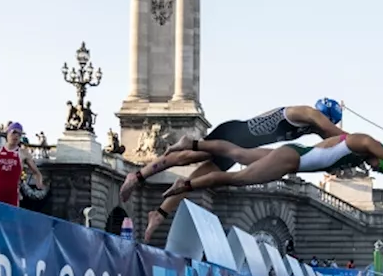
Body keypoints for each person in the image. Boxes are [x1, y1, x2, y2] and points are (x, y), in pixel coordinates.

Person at [121, 99, 347, 241]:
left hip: (238, 147)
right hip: (233, 134)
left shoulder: (308, 128)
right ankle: (138, 176)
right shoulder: (307, 113)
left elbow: (327, 142)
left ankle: (158, 214)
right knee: (186, 156)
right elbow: (332, 133)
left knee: (195, 181)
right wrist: (359, 145)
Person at [158, 133, 383, 203]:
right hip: (292, 161)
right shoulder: (364, 142)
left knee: (239, 152)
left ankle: (191, 143)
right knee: (237, 179)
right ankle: (184, 186)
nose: (376, 170)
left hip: (296, 154)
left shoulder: (363, 149)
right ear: (382, 153)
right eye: (380, 167)